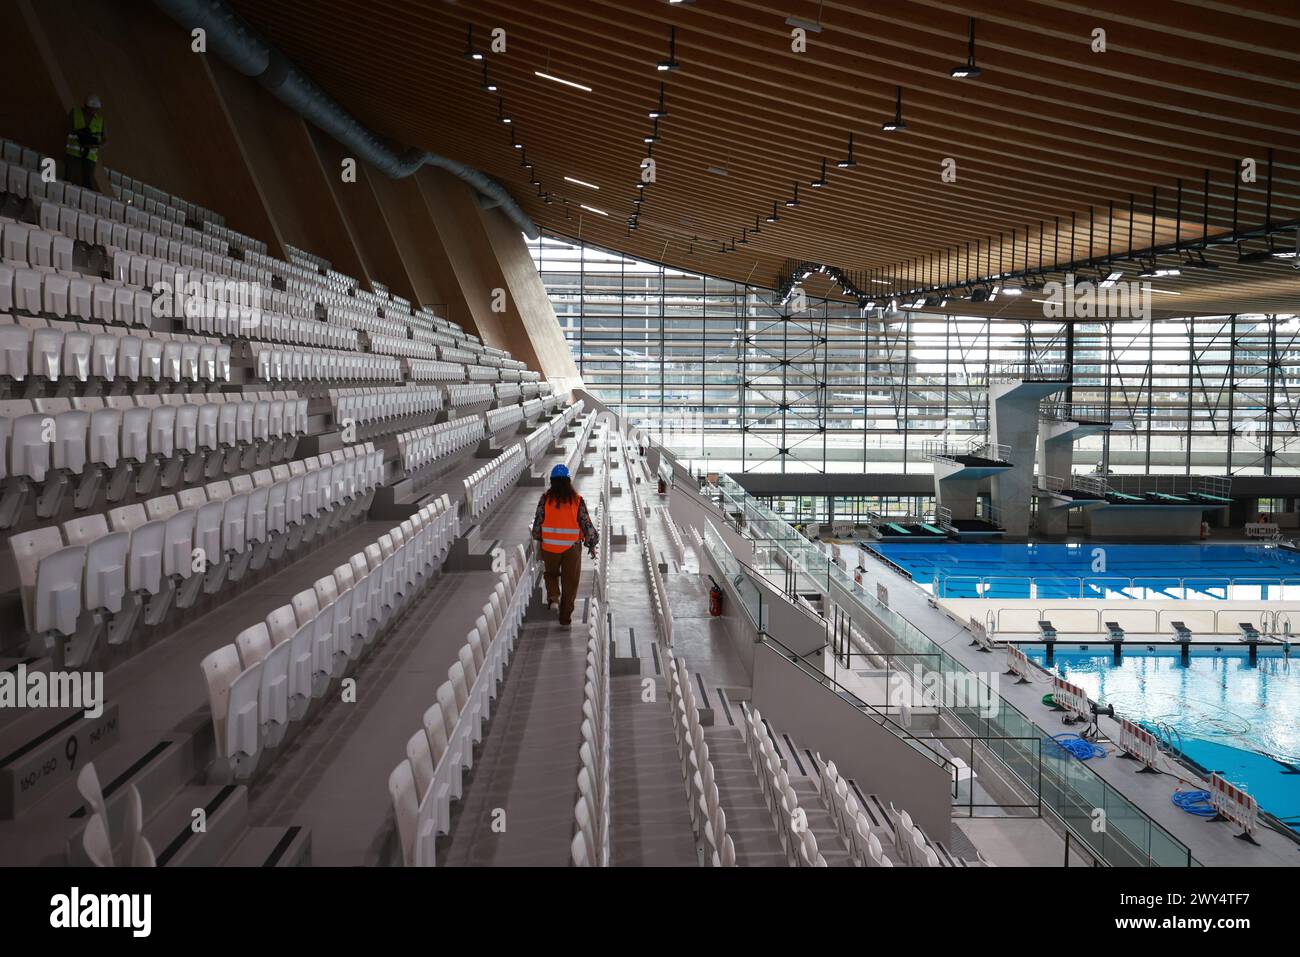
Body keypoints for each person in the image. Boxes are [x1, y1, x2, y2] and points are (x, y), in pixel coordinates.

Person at [531, 463, 598, 627]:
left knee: (551, 574)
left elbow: (537, 526)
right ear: (569, 481)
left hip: (549, 548)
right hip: (571, 548)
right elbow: (586, 525)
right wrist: (591, 544)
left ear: (552, 482)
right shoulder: (577, 501)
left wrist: (541, 539)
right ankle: (565, 619)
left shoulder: (545, 499)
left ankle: (553, 597)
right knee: (571, 582)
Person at [65, 94, 106, 190]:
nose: (92, 111)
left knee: (87, 182)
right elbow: (67, 128)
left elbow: (105, 139)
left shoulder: (100, 120)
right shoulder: (75, 112)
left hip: (90, 156)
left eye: (95, 109)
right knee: (69, 178)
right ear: (85, 106)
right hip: (73, 153)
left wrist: (97, 145)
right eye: (90, 109)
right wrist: (79, 133)